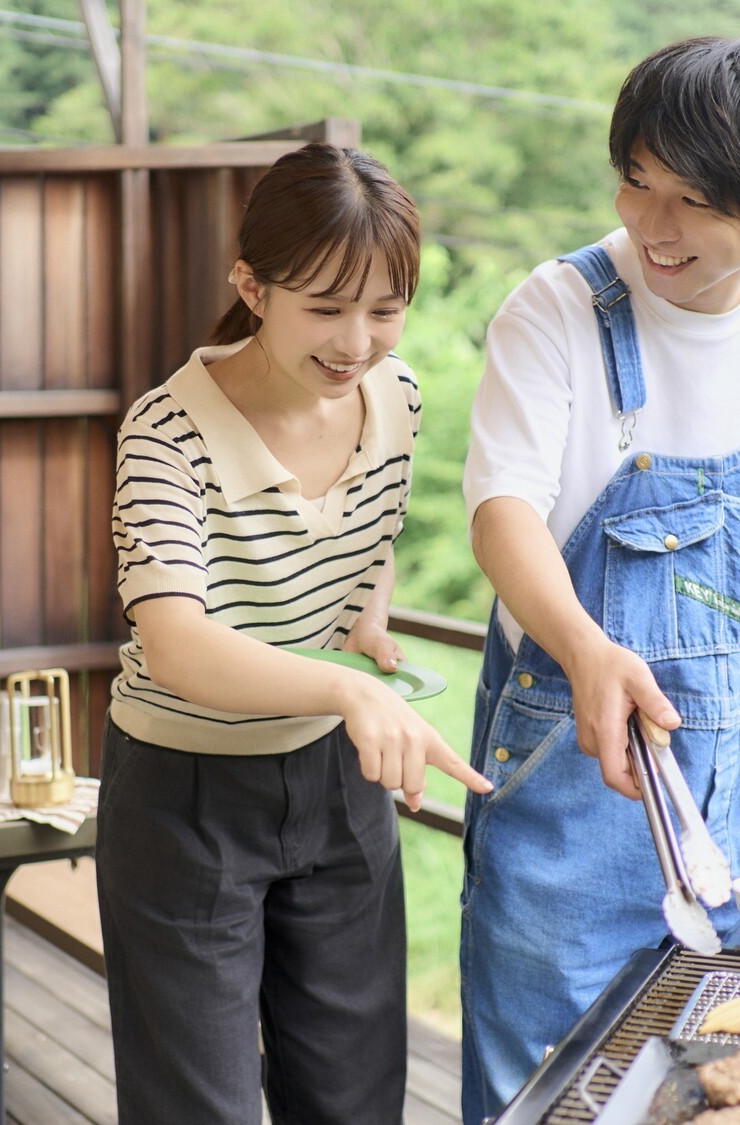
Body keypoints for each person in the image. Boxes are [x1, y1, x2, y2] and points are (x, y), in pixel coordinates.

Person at [459, 37, 740, 1121]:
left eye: (691, 201)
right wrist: (586, 648)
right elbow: (500, 513)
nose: (649, 224)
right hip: (573, 779)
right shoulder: (557, 309)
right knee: (549, 1095)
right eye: (635, 180)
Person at [97, 141, 494, 1125]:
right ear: (252, 287)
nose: (356, 340)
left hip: (332, 783)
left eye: (383, 309)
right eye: (323, 307)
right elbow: (179, 644)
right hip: (181, 793)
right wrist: (350, 692)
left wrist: (361, 616)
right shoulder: (165, 433)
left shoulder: (394, 398)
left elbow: (373, 527)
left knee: (354, 1097)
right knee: (201, 1107)